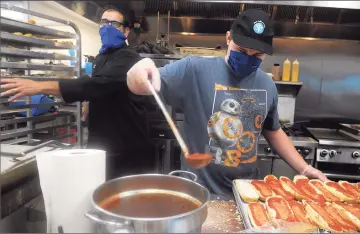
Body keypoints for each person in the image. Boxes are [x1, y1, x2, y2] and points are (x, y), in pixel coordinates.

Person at [126, 9, 328, 198]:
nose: (248, 58)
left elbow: (273, 131)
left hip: (246, 193)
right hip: (199, 190)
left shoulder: (267, 84)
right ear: (228, 38)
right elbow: (139, 85)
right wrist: (137, 71)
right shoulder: (193, 70)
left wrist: (305, 168)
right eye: (241, 50)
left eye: (256, 55)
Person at [0, 6, 154, 180]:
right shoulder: (102, 57)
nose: (107, 27)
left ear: (126, 31)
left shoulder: (128, 57)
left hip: (127, 146)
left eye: (114, 24)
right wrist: (88, 102)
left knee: (124, 201)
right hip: (105, 141)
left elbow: (96, 84)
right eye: (103, 22)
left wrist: (39, 86)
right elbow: (101, 85)